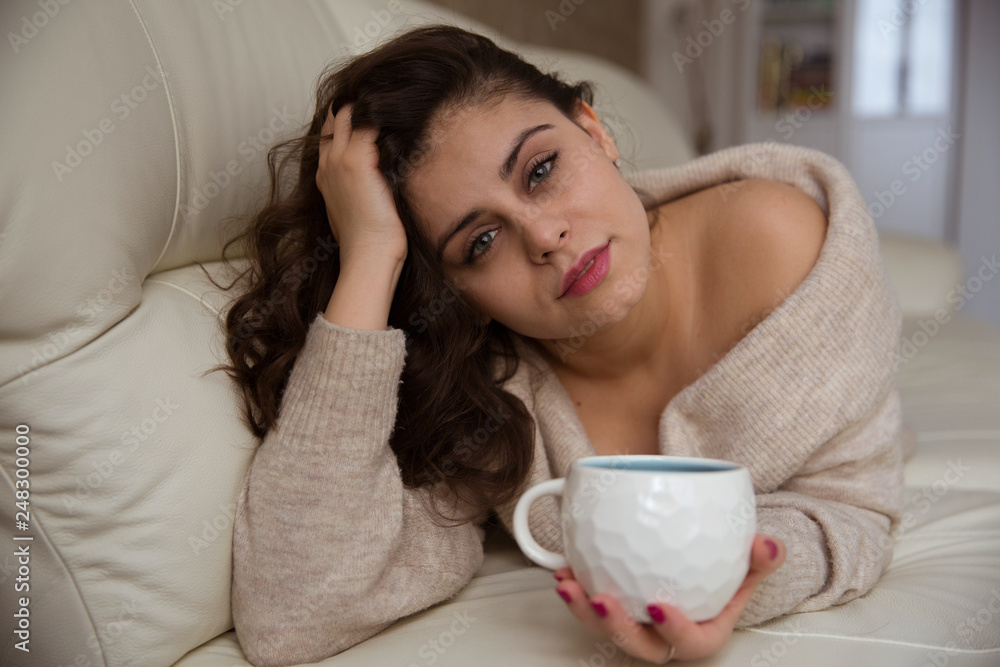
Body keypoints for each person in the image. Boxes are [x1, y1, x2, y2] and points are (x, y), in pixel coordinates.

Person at [215, 24, 906, 667]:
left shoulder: (777, 241)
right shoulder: (482, 396)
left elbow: (853, 506)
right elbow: (292, 611)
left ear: (594, 131)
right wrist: (371, 256)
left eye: (541, 169)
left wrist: (735, 586)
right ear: (459, 296)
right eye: (479, 242)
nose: (544, 236)